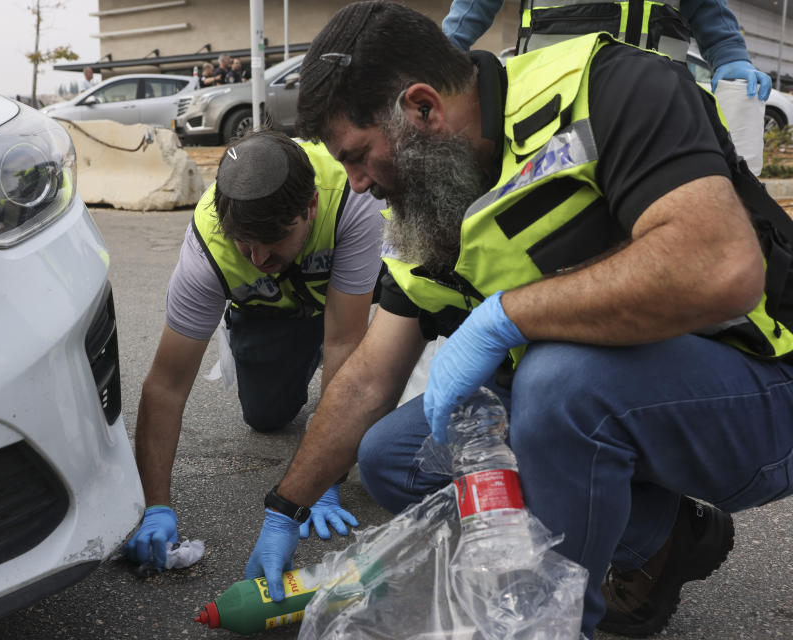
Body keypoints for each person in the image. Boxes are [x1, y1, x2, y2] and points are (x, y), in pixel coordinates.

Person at [243, 2, 793, 637]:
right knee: (395, 456)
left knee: (560, 383)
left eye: (359, 155)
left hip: (759, 386)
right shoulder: (435, 196)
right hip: (617, 397)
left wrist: (506, 316)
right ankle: (662, 539)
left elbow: (719, 267)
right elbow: (368, 377)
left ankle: (552, 624)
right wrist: (286, 507)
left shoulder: (612, 87)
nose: (357, 184)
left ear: (423, 109)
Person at [123, 129, 386, 572]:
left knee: (361, 382)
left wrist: (324, 476)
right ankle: (284, 346)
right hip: (274, 312)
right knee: (265, 416)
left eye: (274, 239)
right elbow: (166, 386)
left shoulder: (351, 199)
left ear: (311, 208)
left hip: (346, 301)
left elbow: (342, 339)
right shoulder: (206, 249)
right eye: (245, 243)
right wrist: (155, 505)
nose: (258, 257)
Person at [442, 0, 771, 100]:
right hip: (546, 105)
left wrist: (731, 56)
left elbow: (708, 11)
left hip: (658, 108)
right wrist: (443, 51)